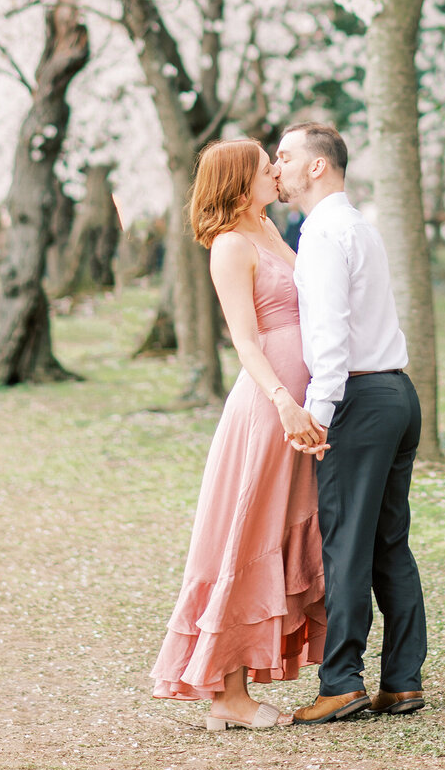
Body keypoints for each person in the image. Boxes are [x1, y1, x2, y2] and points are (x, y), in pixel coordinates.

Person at [150, 140, 327, 731]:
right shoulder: (230, 245)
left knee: (282, 528)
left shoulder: (276, 231)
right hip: (269, 406)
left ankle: (241, 683)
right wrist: (283, 402)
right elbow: (245, 341)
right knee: (248, 533)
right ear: (238, 182)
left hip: (305, 402)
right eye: (264, 167)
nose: (276, 171)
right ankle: (228, 694)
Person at [275, 122, 428, 726]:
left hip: (358, 401)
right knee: (390, 541)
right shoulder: (359, 225)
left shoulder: (321, 235)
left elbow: (331, 335)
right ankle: (402, 681)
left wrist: (318, 412)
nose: (276, 167)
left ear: (318, 167)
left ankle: (341, 682)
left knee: (345, 543)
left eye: (284, 158)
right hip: (396, 392)